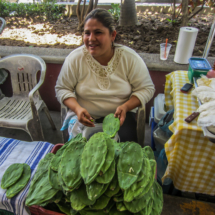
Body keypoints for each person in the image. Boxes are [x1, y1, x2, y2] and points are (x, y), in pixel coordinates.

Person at [55, 8, 155, 142]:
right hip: (84, 118)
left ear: (112, 35)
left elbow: (146, 88)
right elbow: (62, 88)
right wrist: (77, 109)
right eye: (87, 33)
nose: (91, 39)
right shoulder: (75, 59)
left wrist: (126, 107)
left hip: (120, 118)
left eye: (98, 32)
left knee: (124, 155)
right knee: (80, 155)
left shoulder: (129, 58)